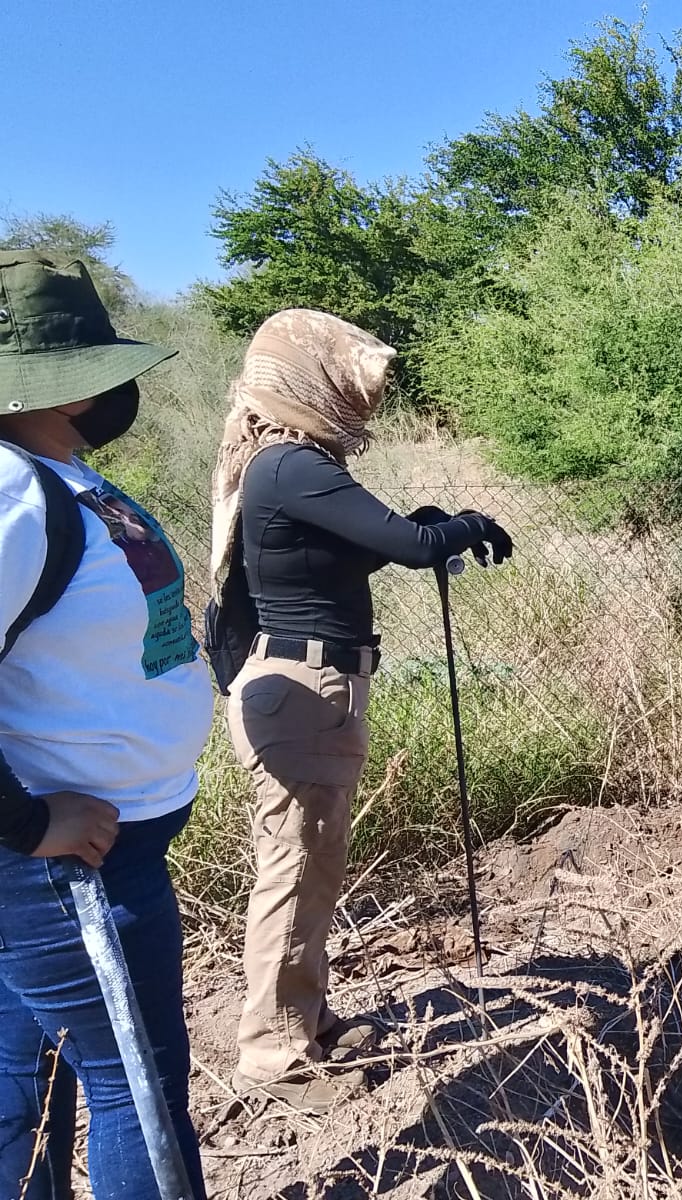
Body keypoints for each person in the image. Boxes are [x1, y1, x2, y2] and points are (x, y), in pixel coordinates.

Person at [212, 309, 515, 1113]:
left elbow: (373, 539)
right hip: (306, 691)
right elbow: (411, 549)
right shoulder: (293, 465)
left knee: (311, 867)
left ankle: (300, 1018)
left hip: (311, 689)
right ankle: (276, 1053)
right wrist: (462, 525)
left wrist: (426, 527)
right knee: (294, 870)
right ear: (305, 379)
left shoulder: (283, 462)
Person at [0, 250, 213, 1198]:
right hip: (66, 867)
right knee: (139, 1092)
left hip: (96, 856)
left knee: (24, 1085)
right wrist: (27, 825)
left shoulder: (50, 474)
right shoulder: (11, 494)